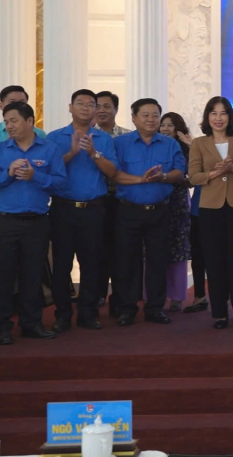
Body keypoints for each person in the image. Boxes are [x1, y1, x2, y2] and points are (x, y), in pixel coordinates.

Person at [0, 102, 66, 345]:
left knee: (33, 275)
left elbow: (61, 183)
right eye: (6, 121)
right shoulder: (0, 150)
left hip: (37, 223)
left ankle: (31, 323)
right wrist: (7, 173)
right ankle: (2, 326)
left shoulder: (49, 149)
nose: (9, 125)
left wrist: (35, 176)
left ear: (30, 121)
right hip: (5, 223)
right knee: (3, 275)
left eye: (14, 120)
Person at [111, 98, 187, 327]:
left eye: (155, 115)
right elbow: (113, 173)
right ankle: (127, 309)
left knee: (158, 261)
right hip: (128, 211)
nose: (151, 119)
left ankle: (155, 308)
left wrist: (163, 177)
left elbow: (180, 172)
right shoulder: (120, 143)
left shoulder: (169, 144)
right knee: (127, 262)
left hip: (160, 211)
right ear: (133, 118)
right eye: (145, 115)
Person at [46, 89, 117, 332]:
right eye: (80, 103)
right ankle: (62, 315)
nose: (86, 108)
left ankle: (88, 313)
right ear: (70, 107)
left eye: (91, 104)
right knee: (62, 265)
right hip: (63, 210)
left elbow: (112, 172)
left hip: (94, 210)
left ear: (96, 110)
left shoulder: (104, 139)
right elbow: (48, 172)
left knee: (92, 264)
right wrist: (72, 153)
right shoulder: (54, 137)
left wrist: (92, 153)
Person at [189, 97, 233, 329]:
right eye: (214, 113)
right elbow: (193, 177)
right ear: (207, 117)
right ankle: (219, 312)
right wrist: (214, 173)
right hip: (210, 209)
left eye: (223, 113)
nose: (219, 118)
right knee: (215, 261)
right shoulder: (199, 143)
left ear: (230, 116)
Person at [0, 86, 46, 241]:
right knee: (0, 254)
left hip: (32, 201)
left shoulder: (40, 135)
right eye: (12, 102)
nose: (18, 106)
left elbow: (49, 168)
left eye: (23, 102)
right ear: (1, 105)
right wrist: (7, 165)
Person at [94, 90, 131, 313]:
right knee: (97, 250)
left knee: (121, 251)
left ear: (116, 109)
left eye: (107, 106)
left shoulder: (127, 137)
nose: (102, 110)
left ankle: (120, 298)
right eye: (97, 106)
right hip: (97, 200)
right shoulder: (87, 137)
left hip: (121, 201)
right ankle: (97, 294)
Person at [159, 112, 194, 312]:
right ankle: (155, 295)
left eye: (170, 125)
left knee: (178, 251)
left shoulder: (187, 149)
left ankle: (177, 297)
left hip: (179, 203)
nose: (165, 129)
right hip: (157, 201)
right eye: (163, 125)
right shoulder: (153, 146)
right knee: (155, 250)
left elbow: (194, 178)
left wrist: (176, 178)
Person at [183, 185, 207, 313]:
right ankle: (200, 296)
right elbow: (191, 178)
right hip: (198, 209)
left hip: (221, 209)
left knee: (222, 257)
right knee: (197, 256)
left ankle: (223, 300)